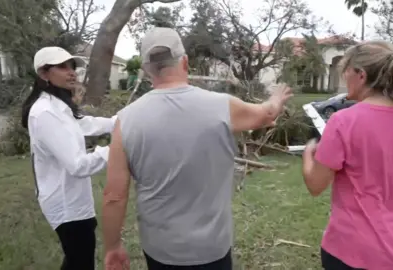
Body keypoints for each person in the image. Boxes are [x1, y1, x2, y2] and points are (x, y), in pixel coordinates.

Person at [101, 27, 293, 270]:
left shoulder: (125, 121)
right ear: (185, 61)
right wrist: (275, 99)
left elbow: (114, 196)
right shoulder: (223, 107)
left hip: (161, 249)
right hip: (212, 249)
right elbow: (266, 114)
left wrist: (113, 246)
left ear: (146, 70)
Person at [301, 41, 393, 270]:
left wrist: (309, 154)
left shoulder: (344, 122)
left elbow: (315, 185)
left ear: (361, 75)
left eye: (345, 72)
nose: (344, 78)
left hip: (351, 252)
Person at [21, 46, 117, 270]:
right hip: (65, 204)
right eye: (63, 67)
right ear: (44, 74)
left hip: (72, 199)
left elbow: (85, 124)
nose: (72, 72)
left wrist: (120, 121)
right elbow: (78, 165)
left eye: (72, 66)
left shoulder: (59, 106)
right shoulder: (45, 112)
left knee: (77, 259)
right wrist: (116, 150)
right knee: (80, 261)